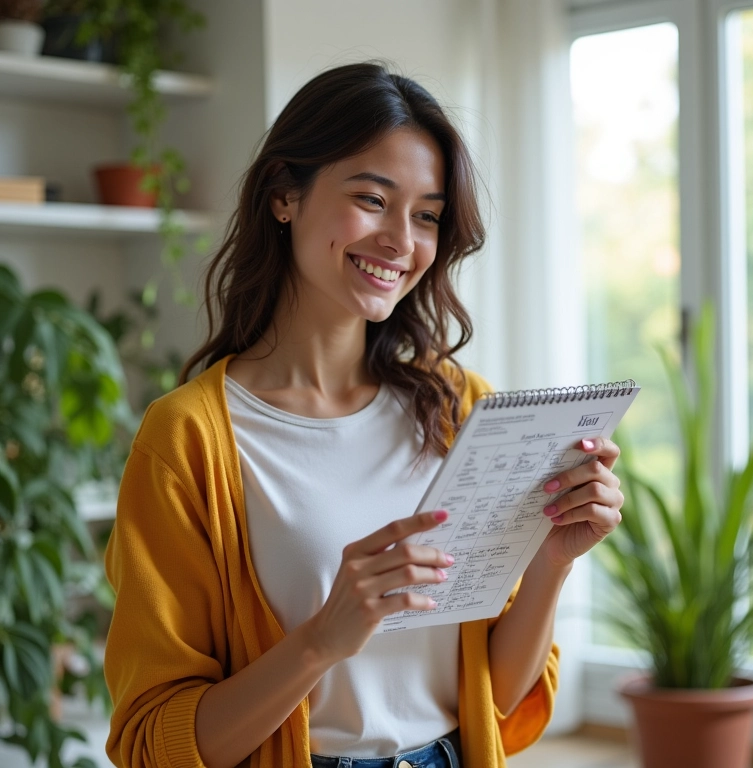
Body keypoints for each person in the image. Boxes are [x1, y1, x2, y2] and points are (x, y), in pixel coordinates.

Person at [103, 62, 624, 768]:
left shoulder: (459, 409)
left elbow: (496, 700)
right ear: (285, 194)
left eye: (427, 216)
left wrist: (551, 563)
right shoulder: (189, 439)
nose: (401, 242)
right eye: (372, 199)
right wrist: (322, 639)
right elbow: (152, 745)